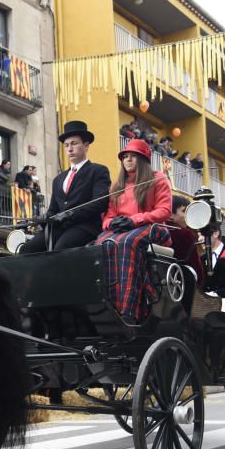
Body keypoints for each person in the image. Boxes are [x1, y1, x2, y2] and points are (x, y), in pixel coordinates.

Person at [95, 138, 173, 322]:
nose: (128, 160)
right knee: (99, 244)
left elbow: (164, 211)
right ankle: (107, 307)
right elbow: (108, 216)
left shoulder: (158, 178)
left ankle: (129, 311)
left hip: (154, 228)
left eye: (133, 156)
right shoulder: (116, 186)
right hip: (122, 230)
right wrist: (111, 224)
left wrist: (134, 220)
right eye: (125, 157)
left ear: (143, 159)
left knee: (128, 242)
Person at [23, 120, 112, 253]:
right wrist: (44, 218)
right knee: (27, 249)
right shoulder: (58, 179)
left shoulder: (98, 170)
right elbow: (53, 210)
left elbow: (100, 202)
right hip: (60, 228)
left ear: (86, 146)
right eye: (66, 145)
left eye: (74, 143)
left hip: (85, 226)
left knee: (61, 249)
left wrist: (71, 214)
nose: (69, 149)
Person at [167, 195, 204, 281]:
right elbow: (196, 270)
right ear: (170, 214)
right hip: (181, 285)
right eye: (184, 211)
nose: (188, 216)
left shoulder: (155, 228)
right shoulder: (185, 234)